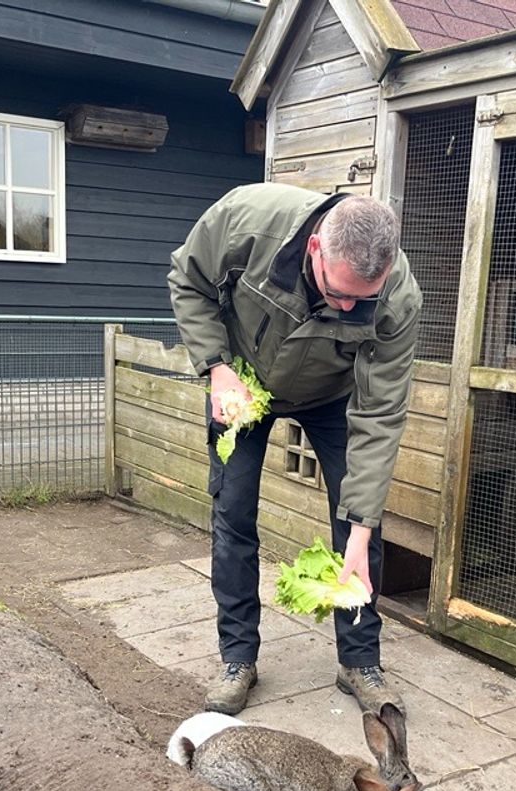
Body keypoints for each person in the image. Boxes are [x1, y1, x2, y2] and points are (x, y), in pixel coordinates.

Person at [168, 182, 422, 717]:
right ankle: (238, 658)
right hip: (242, 381)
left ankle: (359, 662)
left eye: (363, 298)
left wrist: (360, 531)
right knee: (232, 513)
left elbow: (380, 415)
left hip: (331, 396)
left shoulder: (397, 299)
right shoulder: (245, 220)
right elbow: (187, 281)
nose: (350, 306)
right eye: (340, 293)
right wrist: (215, 368)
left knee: (357, 523)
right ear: (314, 252)